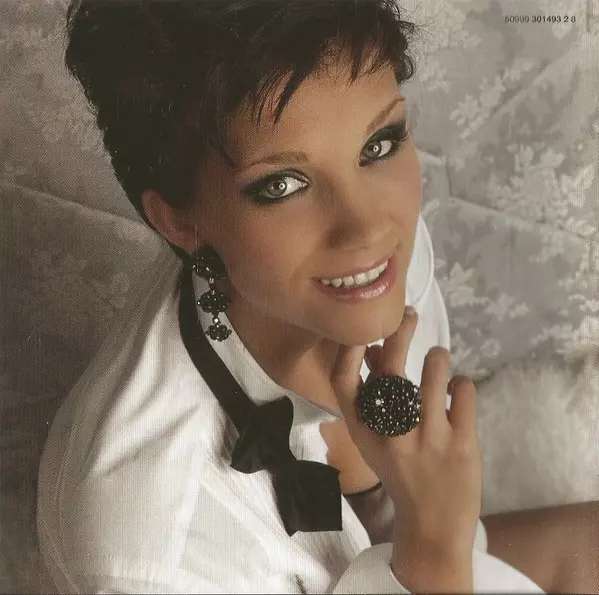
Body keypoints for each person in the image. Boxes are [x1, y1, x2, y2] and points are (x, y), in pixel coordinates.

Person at [36, 1, 589, 592]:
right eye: (282, 184)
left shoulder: (367, 264)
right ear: (179, 220)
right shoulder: (148, 558)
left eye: (378, 144)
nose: (367, 228)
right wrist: (435, 549)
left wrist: (433, 521)